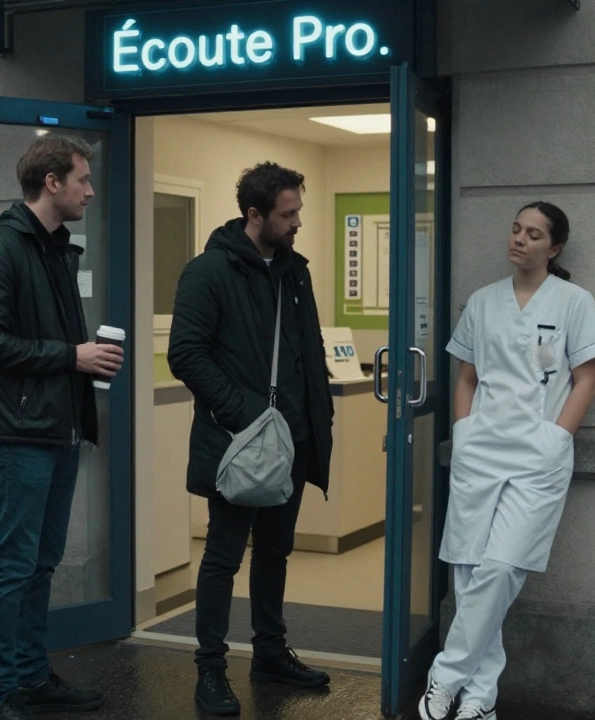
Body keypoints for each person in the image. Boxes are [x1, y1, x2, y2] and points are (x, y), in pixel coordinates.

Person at [418, 202, 595, 720]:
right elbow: (465, 377)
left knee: (501, 568)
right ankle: (479, 702)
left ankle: (445, 673)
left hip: (537, 456)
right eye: (515, 229)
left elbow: (588, 377)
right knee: (468, 569)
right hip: (479, 450)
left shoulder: (574, 301)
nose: (520, 239)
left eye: (533, 234)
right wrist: (462, 432)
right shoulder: (483, 302)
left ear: (554, 247)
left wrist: (556, 437)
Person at [0, 135, 123, 720]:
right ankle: (1, 693)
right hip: (19, 435)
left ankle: (31, 676)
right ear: (51, 182)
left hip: (57, 431)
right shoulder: (0, 251)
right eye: (82, 179)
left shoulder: (57, 249)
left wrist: (82, 358)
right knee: (10, 565)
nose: (90, 190)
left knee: (40, 563)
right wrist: (70, 356)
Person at [168, 162, 336, 718]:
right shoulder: (209, 272)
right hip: (240, 444)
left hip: (291, 443)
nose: (297, 224)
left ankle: (269, 653)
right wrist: (244, 415)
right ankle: (211, 670)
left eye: (298, 212)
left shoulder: (295, 272)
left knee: (275, 552)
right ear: (254, 215)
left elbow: (303, 351)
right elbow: (185, 354)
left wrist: (314, 422)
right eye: (288, 215)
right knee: (222, 556)